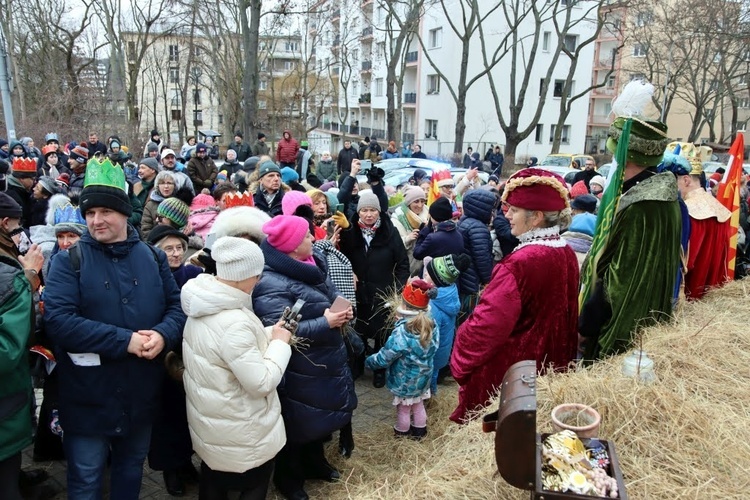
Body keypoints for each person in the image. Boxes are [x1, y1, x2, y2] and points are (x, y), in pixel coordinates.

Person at [43, 158, 186, 498]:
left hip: (140, 392)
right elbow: (60, 322)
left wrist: (164, 333)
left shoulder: (153, 257)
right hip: (88, 395)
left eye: (105, 211)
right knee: (86, 477)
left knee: (130, 468)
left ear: (124, 213)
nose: (96, 220)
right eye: (90, 213)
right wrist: (127, 341)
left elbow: (177, 306)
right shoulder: (69, 261)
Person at [450, 168, 579, 423]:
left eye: (515, 210)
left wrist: (459, 353)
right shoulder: (566, 252)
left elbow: (487, 326)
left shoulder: (520, 263)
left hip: (512, 377)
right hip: (549, 369)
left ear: (537, 217)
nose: (506, 215)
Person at [253, 215, 357, 500]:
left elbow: (330, 294)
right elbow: (280, 329)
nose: (313, 238)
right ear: (290, 246)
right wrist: (326, 322)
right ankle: (289, 480)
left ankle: (316, 463)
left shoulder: (312, 264)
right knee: (298, 422)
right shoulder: (271, 282)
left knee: (318, 419)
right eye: (307, 236)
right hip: (299, 366)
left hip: (324, 358)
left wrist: (343, 311)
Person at [182, 235, 291, 499]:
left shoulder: (205, 302)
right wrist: (281, 344)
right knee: (253, 485)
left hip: (215, 425)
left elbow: (223, 352)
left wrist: (266, 334)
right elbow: (261, 382)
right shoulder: (234, 321)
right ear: (243, 276)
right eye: (257, 274)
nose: (259, 279)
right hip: (242, 431)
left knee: (213, 480)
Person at [578, 82, 681, 362]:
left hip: (619, 331)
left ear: (627, 157)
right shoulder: (660, 194)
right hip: (643, 320)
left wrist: (586, 325)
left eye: (614, 153)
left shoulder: (640, 205)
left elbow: (617, 283)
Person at [145, 225, 202, 496]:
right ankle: (171, 470)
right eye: (169, 248)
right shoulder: (148, 277)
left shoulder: (193, 273)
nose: (176, 253)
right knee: (166, 415)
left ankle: (187, 463)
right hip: (162, 355)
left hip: (191, 352)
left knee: (188, 412)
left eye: (180, 247)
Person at [339, 183, 410, 388]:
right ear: (359, 211)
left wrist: (396, 289)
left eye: (372, 210)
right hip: (358, 291)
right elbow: (343, 256)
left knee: (382, 333)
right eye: (364, 210)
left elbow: (402, 263)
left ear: (378, 211)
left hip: (383, 291)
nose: (368, 215)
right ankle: (358, 365)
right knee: (358, 329)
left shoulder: (389, 231)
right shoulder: (350, 231)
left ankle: (379, 370)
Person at [0, 191, 46, 500]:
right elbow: (7, 349)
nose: (21, 235)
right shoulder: (8, 275)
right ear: (4, 224)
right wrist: (27, 277)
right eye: (17, 228)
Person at [365, 278, 438, 440]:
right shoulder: (432, 325)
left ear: (404, 306)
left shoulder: (401, 332)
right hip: (423, 378)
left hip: (404, 381)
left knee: (403, 409)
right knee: (418, 405)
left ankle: (401, 435)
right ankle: (420, 433)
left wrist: (370, 361)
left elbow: (385, 356)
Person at [662, 153, 731, 300]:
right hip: (713, 295)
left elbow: (686, 260)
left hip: (691, 293)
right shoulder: (717, 206)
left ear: (686, 180)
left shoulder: (688, 210)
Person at [422, 254, 468, 394]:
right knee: (434, 375)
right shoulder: (449, 293)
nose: (424, 275)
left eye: (428, 275)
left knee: (426, 379)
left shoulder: (434, 305)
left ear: (438, 280)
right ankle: (432, 395)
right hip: (441, 351)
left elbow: (426, 332)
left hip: (430, 353)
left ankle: (425, 402)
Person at [456, 189, 496, 322]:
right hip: (472, 282)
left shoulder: (465, 221)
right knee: (470, 318)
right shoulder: (478, 228)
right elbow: (482, 258)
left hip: (464, 279)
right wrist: (487, 280)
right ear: (482, 208)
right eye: (490, 209)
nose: (492, 213)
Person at [391, 186, 430, 276]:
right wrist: (408, 238)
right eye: (416, 201)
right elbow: (394, 243)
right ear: (409, 202)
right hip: (407, 264)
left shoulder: (429, 212)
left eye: (422, 201)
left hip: (425, 264)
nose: (420, 205)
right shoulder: (398, 217)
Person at [413, 197, 465, 261]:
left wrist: (422, 234)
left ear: (434, 216)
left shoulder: (432, 238)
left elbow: (417, 254)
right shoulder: (458, 234)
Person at [6, 158, 37, 228]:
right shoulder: (11, 195)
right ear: (21, 178)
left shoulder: (22, 191)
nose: (34, 182)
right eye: (32, 179)